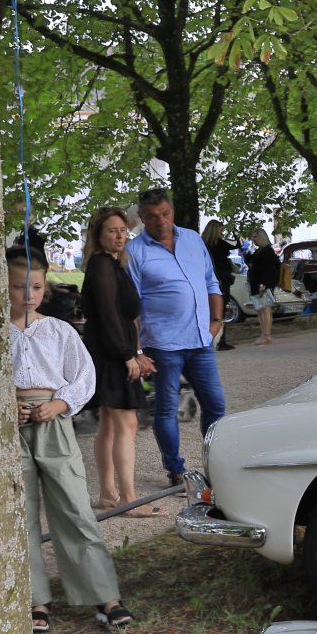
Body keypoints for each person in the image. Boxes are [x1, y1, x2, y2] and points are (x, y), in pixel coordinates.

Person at [6, 246, 134, 633]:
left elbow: (83, 376)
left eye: (36, 287)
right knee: (18, 515)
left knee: (75, 509)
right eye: (18, 287)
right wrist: (4, 407)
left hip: (54, 426)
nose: (28, 295)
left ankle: (104, 595)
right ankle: (35, 599)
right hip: (9, 432)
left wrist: (60, 404)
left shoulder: (58, 331)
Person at [123, 186, 227, 488]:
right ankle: (176, 470)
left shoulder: (192, 239)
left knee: (216, 405)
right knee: (168, 409)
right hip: (163, 344)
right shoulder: (135, 252)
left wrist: (216, 322)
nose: (161, 221)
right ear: (142, 218)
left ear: (172, 211)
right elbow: (131, 305)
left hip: (200, 340)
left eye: (165, 214)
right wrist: (137, 350)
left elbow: (211, 282)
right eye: (152, 216)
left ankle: (216, 465)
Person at [79, 206, 160, 518]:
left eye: (123, 230)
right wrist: (127, 354)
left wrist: (135, 352)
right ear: (98, 235)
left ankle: (108, 494)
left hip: (111, 349)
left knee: (111, 424)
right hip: (110, 352)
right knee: (126, 423)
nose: (119, 236)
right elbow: (109, 314)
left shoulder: (111, 264)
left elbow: (120, 316)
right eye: (112, 230)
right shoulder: (102, 265)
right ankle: (128, 499)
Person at [201, 220, 239, 351]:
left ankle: (209, 339)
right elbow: (237, 244)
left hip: (209, 278)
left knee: (209, 310)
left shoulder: (203, 244)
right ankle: (220, 340)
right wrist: (234, 230)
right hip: (222, 278)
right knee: (220, 310)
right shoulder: (220, 244)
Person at [245, 227, 281, 345]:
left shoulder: (267, 251)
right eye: (252, 237)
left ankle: (266, 335)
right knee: (260, 310)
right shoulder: (259, 250)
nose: (253, 239)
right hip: (256, 284)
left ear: (262, 237)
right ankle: (264, 334)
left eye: (255, 237)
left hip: (263, 285)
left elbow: (269, 270)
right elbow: (250, 262)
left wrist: (264, 284)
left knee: (265, 310)